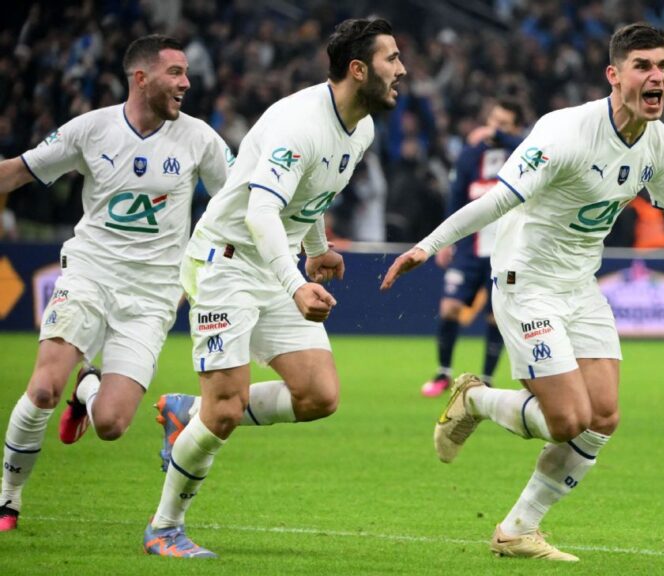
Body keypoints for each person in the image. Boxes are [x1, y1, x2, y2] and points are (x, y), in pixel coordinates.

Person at [381, 23, 664, 561]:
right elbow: (500, 199)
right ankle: (473, 398)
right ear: (614, 76)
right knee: (566, 420)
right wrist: (427, 246)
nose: (656, 76)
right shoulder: (565, 132)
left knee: (603, 418)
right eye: (643, 66)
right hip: (527, 282)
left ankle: (518, 529)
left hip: (579, 285)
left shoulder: (659, 144)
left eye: (663, 66)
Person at [143, 18, 405, 558]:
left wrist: (316, 248)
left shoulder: (362, 127)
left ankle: (185, 414)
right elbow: (262, 208)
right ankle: (164, 529)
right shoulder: (298, 123)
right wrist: (295, 283)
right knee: (225, 412)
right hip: (227, 261)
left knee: (319, 396)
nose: (402, 70)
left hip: (273, 262)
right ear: (358, 70)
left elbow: (310, 196)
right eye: (391, 59)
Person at [0, 35, 232, 533]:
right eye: (175, 73)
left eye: (187, 73)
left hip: (152, 295)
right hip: (90, 274)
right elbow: (17, 173)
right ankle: (8, 501)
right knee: (41, 388)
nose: (186, 83)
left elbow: (235, 202)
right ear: (141, 77)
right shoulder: (91, 129)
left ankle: (87, 387)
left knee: (111, 424)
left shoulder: (201, 140)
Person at [422, 99, 525, 397]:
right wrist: (446, 241)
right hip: (469, 249)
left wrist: (504, 138)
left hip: (506, 252)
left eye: (504, 124)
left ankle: (487, 379)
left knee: (497, 316)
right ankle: (443, 373)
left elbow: (530, 146)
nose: (496, 129)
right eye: (493, 121)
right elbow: (456, 198)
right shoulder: (470, 156)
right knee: (450, 306)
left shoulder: (521, 154)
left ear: (515, 128)